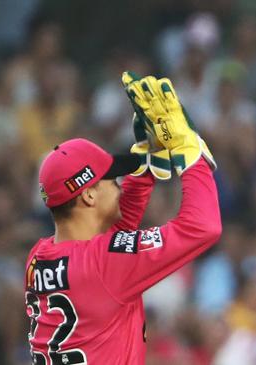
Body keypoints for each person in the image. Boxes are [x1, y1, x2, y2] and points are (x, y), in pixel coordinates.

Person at [24, 72, 221, 364]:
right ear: (88, 196)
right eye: (111, 180)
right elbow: (203, 227)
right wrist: (190, 157)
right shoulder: (105, 263)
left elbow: (109, 240)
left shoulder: (39, 256)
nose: (119, 183)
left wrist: (145, 170)